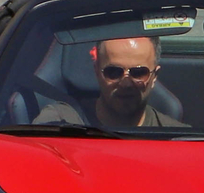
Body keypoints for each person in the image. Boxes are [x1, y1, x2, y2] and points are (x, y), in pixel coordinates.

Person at [36, 37, 185, 129]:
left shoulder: (174, 139)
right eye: (113, 72)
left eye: (138, 73)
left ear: (154, 77)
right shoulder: (57, 123)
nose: (126, 84)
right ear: (97, 72)